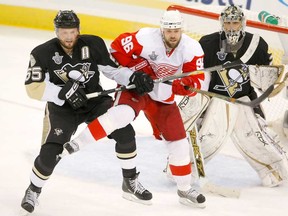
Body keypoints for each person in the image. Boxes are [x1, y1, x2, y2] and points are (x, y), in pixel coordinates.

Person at [64, 10, 209, 208]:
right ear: (162, 29)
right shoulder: (144, 38)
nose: (172, 35)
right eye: (168, 30)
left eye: (176, 30)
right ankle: (77, 144)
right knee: (121, 115)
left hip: (163, 97)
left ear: (181, 30)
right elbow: (116, 51)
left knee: (179, 143)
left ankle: (184, 189)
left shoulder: (192, 48)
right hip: (138, 89)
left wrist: (184, 85)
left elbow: (198, 81)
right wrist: (136, 72)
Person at [21, 10, 152, 214]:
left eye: (72, 32)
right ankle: (33, 190)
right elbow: (33, 87)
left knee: (125, 133)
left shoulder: (93, 44)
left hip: (94, 101)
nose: (68, 37)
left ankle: (130, 181)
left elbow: (113, 70)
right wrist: (62, 93)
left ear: (78, 30)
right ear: (56, 32)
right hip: (62, 108)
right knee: (51, 152)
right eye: (63, 32)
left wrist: (133, 78)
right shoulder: (42, 52)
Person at [181, 5, 288, 187]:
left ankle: (272, 169)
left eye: (235, 22)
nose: (231, 27)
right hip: (214, 99)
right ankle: (183, 168)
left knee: (254, 136)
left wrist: (272, 80)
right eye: (228, 22)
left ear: (242, 23)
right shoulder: (208, 43)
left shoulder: (256, 44)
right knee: (207, 136)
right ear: (222, 23)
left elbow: (264, 78)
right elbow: (198, 77)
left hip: (245, 99)